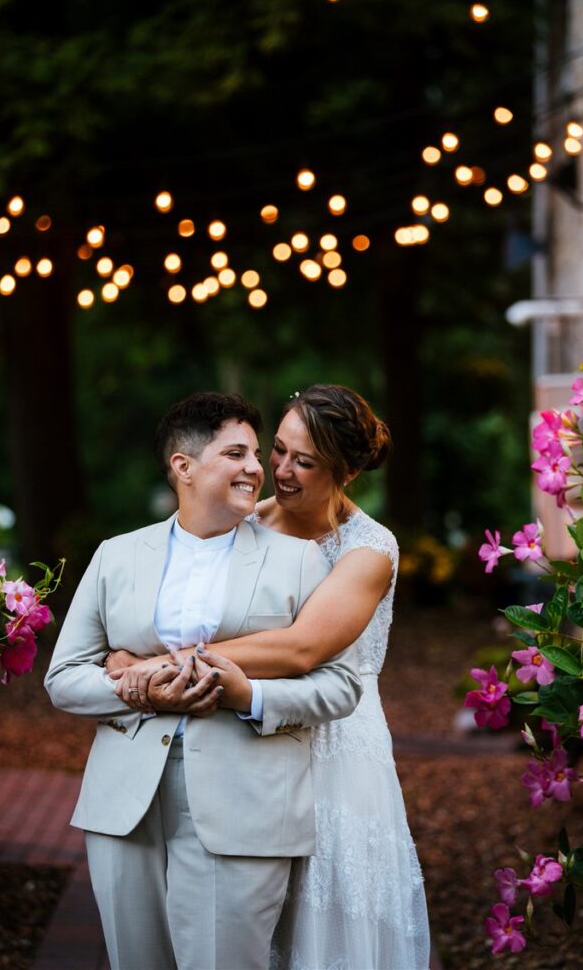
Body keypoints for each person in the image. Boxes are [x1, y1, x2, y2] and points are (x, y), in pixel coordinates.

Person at [111, 385, 431, 970]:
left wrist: (163, 663)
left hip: (335, 748)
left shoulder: (369, 549)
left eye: (303, 462)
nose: (278, 471)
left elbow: (300, 647)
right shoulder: (245, 519)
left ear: (347, 470)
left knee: (320, 919)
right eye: (277, 450)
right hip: (245, 737)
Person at [44, 392, 362, 970]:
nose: (257, 469)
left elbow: (341, 686)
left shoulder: (298, 561)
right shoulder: (116, 556)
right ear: (183, 467)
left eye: (256, 455)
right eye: (235, 453)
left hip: (247, 808)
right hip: (125, 809)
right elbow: (63, 677)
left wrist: (249, 695)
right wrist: (132, 689)